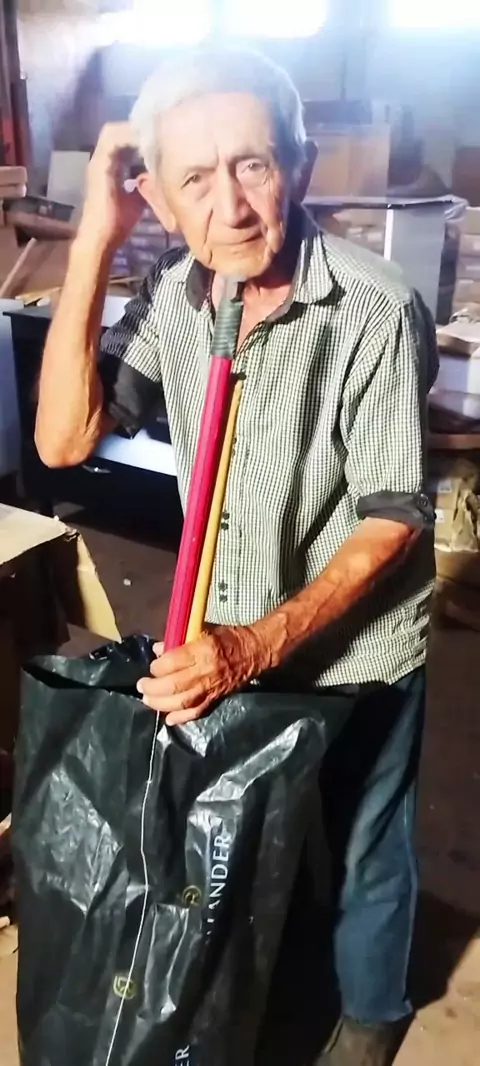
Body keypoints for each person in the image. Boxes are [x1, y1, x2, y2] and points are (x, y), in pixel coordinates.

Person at [35, 47, 438, 1066]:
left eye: (252, 164)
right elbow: (64, 440)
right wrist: (97, 236)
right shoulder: (176, 296)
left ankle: (374, 1012)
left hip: (353, 642)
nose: (233, 207)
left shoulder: (375, 306)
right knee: (263, 830)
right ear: (163, 202)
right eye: (196, 179)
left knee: (364, 845)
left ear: (298, 166)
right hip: (230, 628)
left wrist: (256, 646)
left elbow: (393, 516)